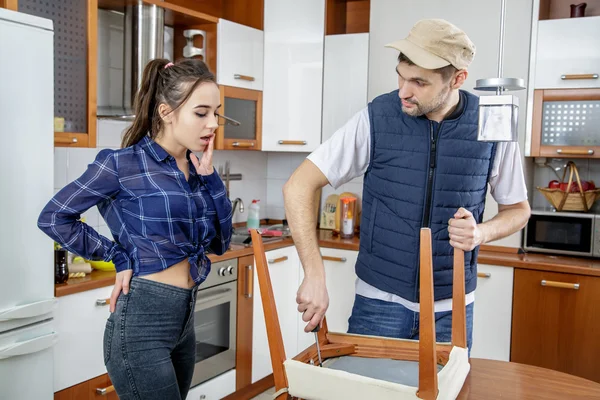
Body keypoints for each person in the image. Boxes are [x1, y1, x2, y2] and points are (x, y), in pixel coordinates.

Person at [283, 19, 531, 350]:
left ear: (457, 79)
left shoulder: (492, 120)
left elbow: (518, 210)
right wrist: (314, 274)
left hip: (451, 309)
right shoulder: (378, 116)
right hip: (378, 304)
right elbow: (299, 185)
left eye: (419, 82)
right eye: (400, 76)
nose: (404, 91)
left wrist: (480, 234)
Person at [37, 58, 233, 399]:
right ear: (167, 112)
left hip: (184, 320)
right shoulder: (120, 164)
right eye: (201, 113)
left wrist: (211, 178)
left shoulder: (197, 169)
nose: (213, 123)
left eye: (216, 113)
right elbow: (54, 216)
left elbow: (220, 243)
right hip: (142, 324)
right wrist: (117, 256)